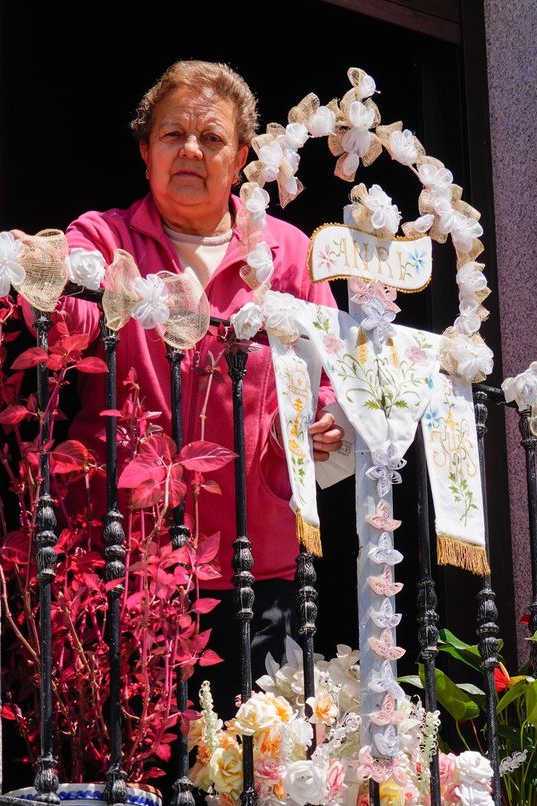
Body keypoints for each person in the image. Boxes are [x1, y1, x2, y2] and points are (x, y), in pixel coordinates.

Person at [46, 60, 346, 716]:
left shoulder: (289, 255)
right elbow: (67, 317)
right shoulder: (104, 238)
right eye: (172, 134)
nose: (190, 149)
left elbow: (327, 372)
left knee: (249, 771)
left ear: (241, 157)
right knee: (137, 769)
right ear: (144, 150)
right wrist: (38, 269)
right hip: (126, 553)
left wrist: (327, 423)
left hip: (257, 562)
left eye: (211, 138)